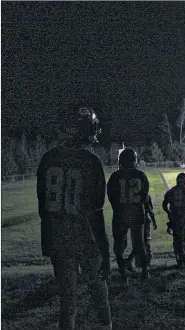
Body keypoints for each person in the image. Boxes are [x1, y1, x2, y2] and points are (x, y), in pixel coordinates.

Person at [36, 104, 112, 330]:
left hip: (59, 237)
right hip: (86, 237)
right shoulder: (90, 161)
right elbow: (95, 213)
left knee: (67, 301)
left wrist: (49, 241)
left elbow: (43, 208)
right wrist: (105, 251)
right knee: (98, 291)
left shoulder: (48, 159)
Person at [107, 148, 150, 282]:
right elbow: (144, 197)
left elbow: (112, 197)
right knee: (139, 243)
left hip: (120, 213)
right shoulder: (141, 175)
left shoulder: (115, 176)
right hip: (137, 213)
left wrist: (118, 209)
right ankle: (144, 272)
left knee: (119, 245)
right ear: (134, 160)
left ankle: (122, 274)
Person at [162, 173, 185, 267]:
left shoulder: (171, 191)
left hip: (175, 218)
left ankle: (182, 258)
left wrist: (169, 213)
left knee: (178, 239)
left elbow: (164, 205)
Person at [127, 194, 157, 269]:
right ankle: (146, 263)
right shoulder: (146, 196)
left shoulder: (130, 196)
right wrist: (154, 222)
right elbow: (150, 210)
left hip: (133, 220)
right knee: (147, 242)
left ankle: (136, 262)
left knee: (136, 242)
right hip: (144, 220)